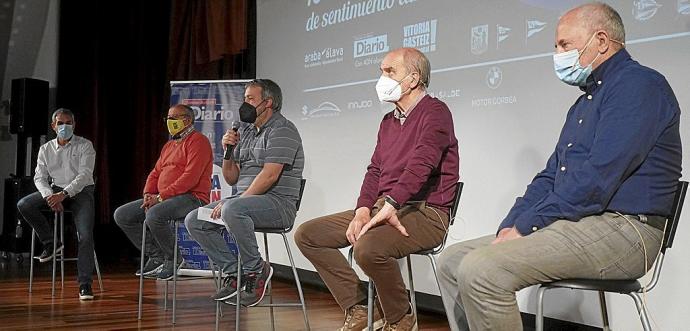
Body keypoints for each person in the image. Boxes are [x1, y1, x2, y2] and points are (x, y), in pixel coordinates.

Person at [437, 3, 683, 330]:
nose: (557, 53)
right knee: (452, 262)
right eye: (556, 46)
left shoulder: (640, 87)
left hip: (628, 230)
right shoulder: (584, 103)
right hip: (586, 221)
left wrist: (528, 226)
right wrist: (511, 224)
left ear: (601, 41)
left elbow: (597, 180)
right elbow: (551, 176)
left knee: (483, 270)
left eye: (565, 45)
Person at [295, 47, 459, 331]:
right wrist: (361, 211)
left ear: (413, 79)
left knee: (367, 248)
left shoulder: (436, 112)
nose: (382, 78)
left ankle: (400, 317)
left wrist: (392, 205)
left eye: (389, 71)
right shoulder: (388, 121)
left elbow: (422, 164)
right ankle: (359, 307)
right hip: (384, 205)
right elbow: (375, 171)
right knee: (309, 235)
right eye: (382, 71)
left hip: (426, 210)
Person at [185, 79, 304, 307]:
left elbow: (269, 175)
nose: (245, 104)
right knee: (195, 219)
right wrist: (227, 151)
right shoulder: (248, 131)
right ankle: (234, 271)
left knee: (232, 208)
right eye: (244, 98)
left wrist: (237, 201)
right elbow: (232, 177)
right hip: (245, 201)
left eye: (251, 99)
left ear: (268, 102)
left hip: (278, 204)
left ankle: (256, 270)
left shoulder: (283, 130)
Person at [114, 104, 213, 280]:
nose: (170, 121)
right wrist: (148, 193)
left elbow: (190, 178)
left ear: (188, 120)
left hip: (192, 197)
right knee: (122, 215)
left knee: (154, 214)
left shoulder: (199, 141)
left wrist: (160, 197)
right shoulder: (169, 145)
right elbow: (155, 172)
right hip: (164, 198)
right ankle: (156, 255)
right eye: (168, 117)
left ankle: (173, 258)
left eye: (174, 117)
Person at [17, 108, 97, 300]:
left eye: (68, 123)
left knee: (85, 235)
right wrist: (48, 197)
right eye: (60, 123)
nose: (64, 126)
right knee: (24, 204)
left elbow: (84, 175)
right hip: (55, 191)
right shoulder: (45, 149)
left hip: (80, 192)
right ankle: (51, 242)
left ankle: (85, 283)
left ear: (74, 125)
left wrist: (63, 194)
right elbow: (39, 177)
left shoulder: (85, 145)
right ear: (53, 126)